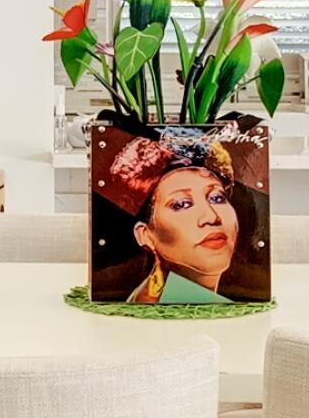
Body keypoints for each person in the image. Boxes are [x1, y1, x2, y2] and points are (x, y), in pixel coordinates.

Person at [92, 129, 247, 305]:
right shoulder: (149, 312)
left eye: (217, 198)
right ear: (145, 234)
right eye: (182, 204)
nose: (211, 217)